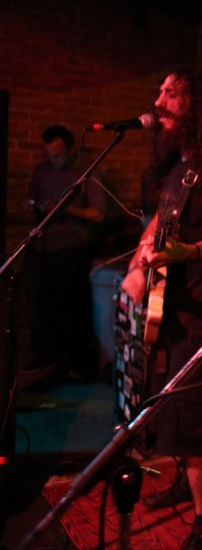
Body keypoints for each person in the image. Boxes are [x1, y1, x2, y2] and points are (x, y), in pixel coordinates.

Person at [120, 66, 202, 550]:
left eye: (172, 93)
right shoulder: (179, 164)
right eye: (160, 91)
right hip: (169, 305)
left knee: (195, 415)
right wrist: (136, 265)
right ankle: (182, 483)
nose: (159, 101)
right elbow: (158, 221)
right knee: (169, 405)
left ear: (197, 105)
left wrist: (184, 253)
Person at [22, 125, 106, 382]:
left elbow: (98, 214)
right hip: (40, 248)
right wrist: (31, 207)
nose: (53, 160)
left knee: (71, 311)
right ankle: (45, 364)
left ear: (71, 149)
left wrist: (64, 209)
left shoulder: (86, 173)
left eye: (58, 155)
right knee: (40, 310)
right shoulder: (41, 171)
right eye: (49, 155)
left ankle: (76, 366)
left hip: (71, 251)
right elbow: (30, 202)